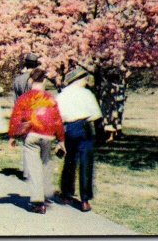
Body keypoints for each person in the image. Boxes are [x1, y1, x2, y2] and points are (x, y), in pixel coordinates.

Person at [8, 69, 66, 214]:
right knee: (45, 165)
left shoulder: (24, 98)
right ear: (44, 81)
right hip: (47, 136)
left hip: (31, 135)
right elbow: (58, 121)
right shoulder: (51, 99)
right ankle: (45, 194)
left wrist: (12, 136)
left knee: (34, 168)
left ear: (30, 81)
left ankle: (38, 201)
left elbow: (16, 118)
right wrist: (61, 140)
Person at [56, 66, 103, 213]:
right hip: (85, 127)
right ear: (77, 80)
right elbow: (96, 115)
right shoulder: (87, 94)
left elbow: (58, 117)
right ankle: (85, 199)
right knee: (86, 162)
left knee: (70, 160)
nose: (85, 81)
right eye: (83, 79)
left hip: (69, 127)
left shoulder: (62, 95)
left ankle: (67, 193)